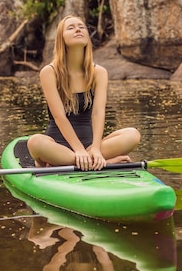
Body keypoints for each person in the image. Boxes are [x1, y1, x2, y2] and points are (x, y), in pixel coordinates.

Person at [27, 15, 140, 171]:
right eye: (71, 27)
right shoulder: (49, 72)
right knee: (35, 142)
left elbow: (98, 113)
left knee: (132, 135)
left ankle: (77, 162)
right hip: (59, 146)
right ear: (62, 38)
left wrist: (95, 148)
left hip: (90, 146)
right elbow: (59, 116)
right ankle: (100, 163)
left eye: (81, 26)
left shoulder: (99, 72)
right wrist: (78, 150)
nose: (78, 29)